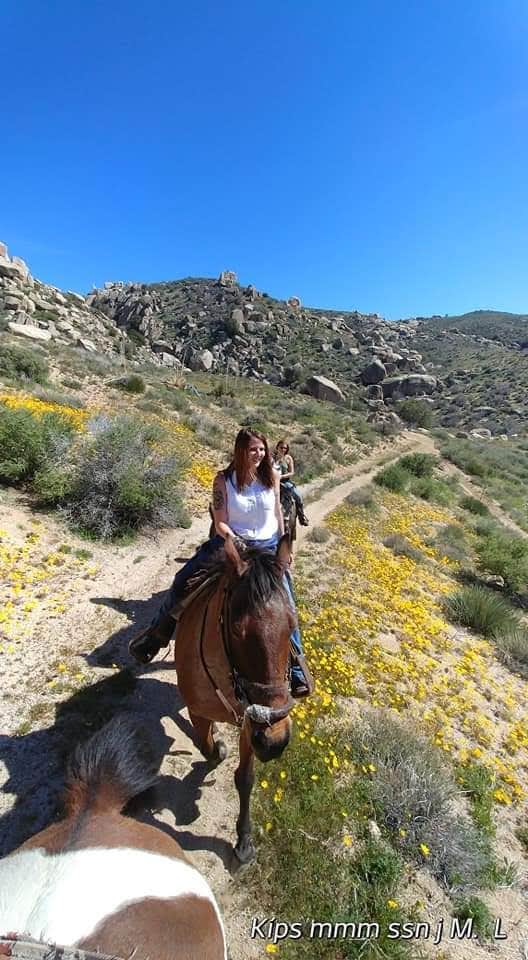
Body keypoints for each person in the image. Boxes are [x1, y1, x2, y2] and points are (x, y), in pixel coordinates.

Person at [129, 429, 312, 697]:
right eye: (253, 450)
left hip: (267, 547)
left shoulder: (271, 477)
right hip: (231, 542)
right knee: (184, 579)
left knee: (287, 602)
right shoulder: (223, 480)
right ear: (240, 451)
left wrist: (285, 544)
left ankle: (296, 665)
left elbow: (276, 514)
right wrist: (233, 541)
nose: (259, 455)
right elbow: (220, 521)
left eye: (262, 449)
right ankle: (157, 634)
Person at [273, 440, 309, 526]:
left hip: (284, 481)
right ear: (277, 447)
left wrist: (282, 476)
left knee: (298, 496)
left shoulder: (288, 458)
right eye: (281, 447)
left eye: (285, 448)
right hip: (272, 482)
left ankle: (301, 516)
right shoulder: (272, 458)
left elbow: (292, 472)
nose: (283, 449)